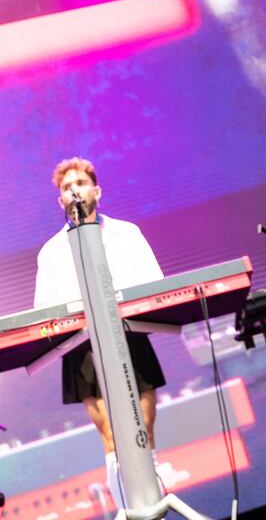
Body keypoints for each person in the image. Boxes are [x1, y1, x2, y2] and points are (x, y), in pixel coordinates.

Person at [34, 157, 166, 512]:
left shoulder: (127, 234)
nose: (73, 190)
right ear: (60, 200)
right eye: (66, 187)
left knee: (143, 434)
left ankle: (154, 511)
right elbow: (44, 311)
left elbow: (155, 285)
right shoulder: (51, 252)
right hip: (83, 349)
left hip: (129, 336)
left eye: (79, 183)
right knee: (112, 438)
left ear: (97, 191)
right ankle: (130, 512)